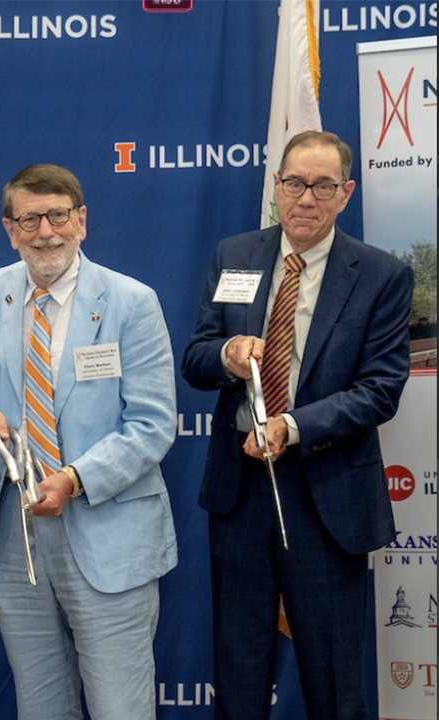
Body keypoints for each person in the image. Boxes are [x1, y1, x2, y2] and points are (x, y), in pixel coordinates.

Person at [182, 130, 413, 720]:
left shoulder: (381, 274)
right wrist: (230, 351)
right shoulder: (234, 254)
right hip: (241, 494)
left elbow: (380, 391)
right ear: (277, 187)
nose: (306, 198)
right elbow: (197, 358)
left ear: (346, 193)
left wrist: (292, 425)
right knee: (238, 673)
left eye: (323, 185)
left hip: (328, 495)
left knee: (334, 680)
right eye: (294, 184)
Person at [0, 164, 178, 719]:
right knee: (42, 707)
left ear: (81, 221)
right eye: (30, 219)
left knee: (120, 708)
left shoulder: (131, 301)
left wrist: (75, 480)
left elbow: (152, 423)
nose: (45, 231)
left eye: (57, 216)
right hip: (14, 535)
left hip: (107, 532)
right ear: (10, 228)